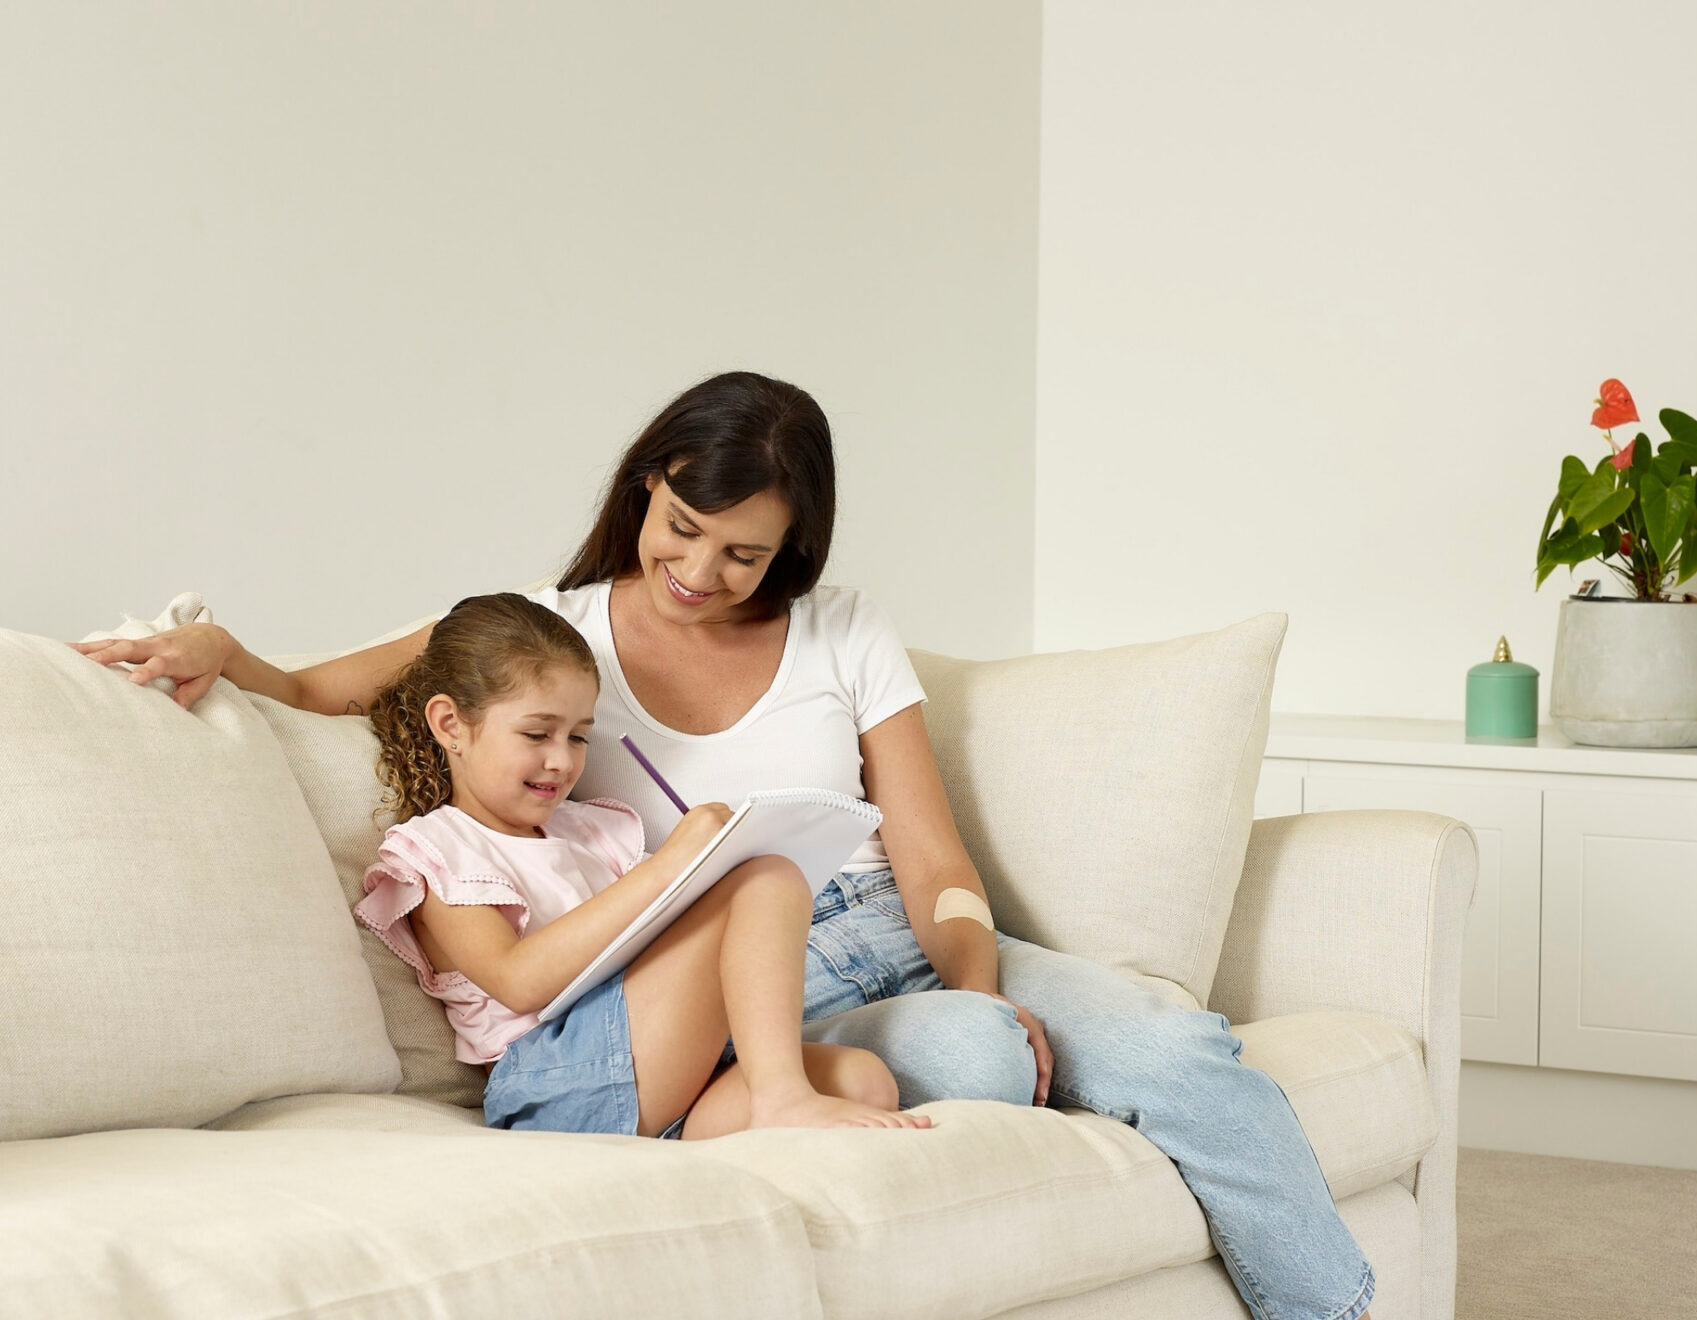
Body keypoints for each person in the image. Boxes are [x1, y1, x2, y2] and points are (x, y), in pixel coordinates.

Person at [72, 372, 1375, 1320]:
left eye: (745, 554)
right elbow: (324, 688)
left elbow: (934, 859)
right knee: (970, 1059)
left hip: (897, 933)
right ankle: (939, 1053)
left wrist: (980, 975)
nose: (701, 570)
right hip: (749, 985)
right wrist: (215, 653)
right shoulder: (553, 636)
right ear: (646, 486)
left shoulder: (845, 634)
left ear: (792, 548)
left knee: (1177, 1052)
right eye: (681, 530)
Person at [341, 590, 926, 1139]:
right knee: (768, 877)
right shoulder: (439, 850)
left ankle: (721, 1120)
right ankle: (780, 1096)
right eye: (537, 733)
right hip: (557, 1080)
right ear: (450, 725)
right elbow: (517, 982)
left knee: (865, 1081)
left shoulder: (596, 829)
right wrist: (670, 864)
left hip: (660, 1062)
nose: (560, 761)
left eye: (577, 737)